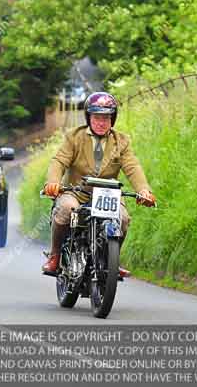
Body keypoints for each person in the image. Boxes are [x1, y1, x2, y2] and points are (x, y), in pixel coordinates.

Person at [41, 91, 156, 277]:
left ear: (113, 119)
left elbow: (132, 167)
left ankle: (112, 260)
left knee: (123, 219)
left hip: (107, 196)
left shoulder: (122, 141)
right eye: (97, 118)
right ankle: (55, 256)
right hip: (76, 192)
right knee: (66, 210)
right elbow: (59, 161)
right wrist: (53, 182)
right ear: (89, 117)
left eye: (106, 118)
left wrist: (144, 190)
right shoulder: (74, 137)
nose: (101, 122)